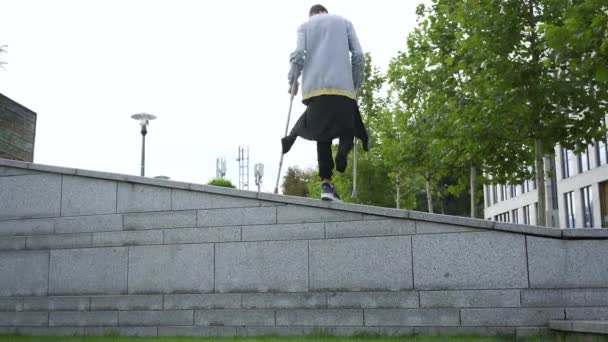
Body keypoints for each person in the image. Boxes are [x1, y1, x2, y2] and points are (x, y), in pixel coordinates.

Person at [281, 4, 369, 202]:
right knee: (349, 126)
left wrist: (293, 81)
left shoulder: (305, 27)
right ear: (325, 12)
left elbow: (298, 55)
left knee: (323, 137)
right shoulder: (345, 23)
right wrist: (356, 83)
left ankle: (327, 184)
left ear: (311, 15)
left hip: (316, 90)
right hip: (343, 88)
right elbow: (359, 56)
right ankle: (343, 154)